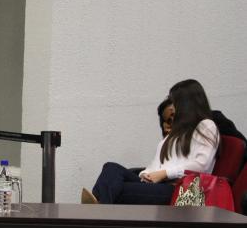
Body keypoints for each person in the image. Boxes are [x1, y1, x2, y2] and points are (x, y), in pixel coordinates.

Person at [86, 79, 219, 205]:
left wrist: (165, 173)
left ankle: (98, 208)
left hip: (179, 191)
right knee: (111, 168)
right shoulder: (175, 133)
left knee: (117, 189)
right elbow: (155, 166)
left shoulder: (206, 126)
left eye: (175, 102)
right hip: (158, 185)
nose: (172, 107)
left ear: (186, 104)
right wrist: (146, 174)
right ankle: (100, 208)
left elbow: (201, 166)